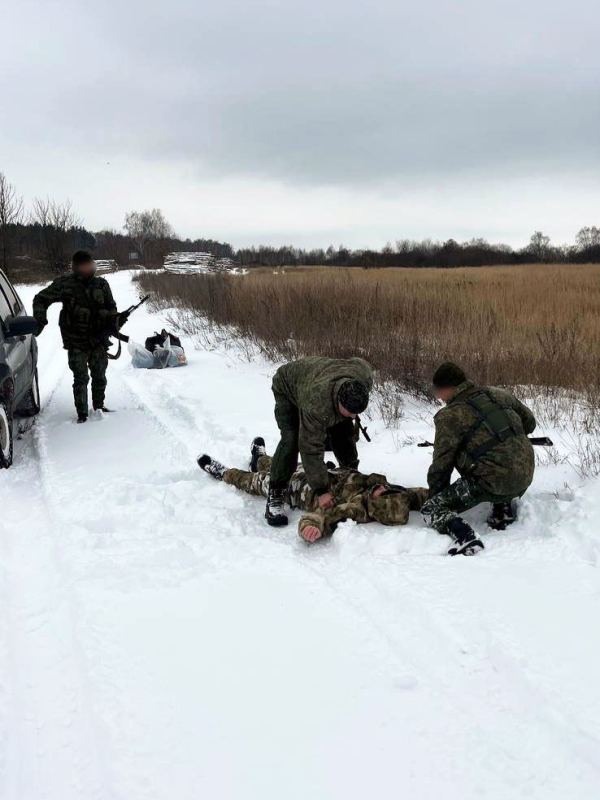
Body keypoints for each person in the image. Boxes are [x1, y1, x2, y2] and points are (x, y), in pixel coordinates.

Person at [198, 437, 428, 543]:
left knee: (258, 482)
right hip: (319, 472)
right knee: (282, 463)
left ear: (377, 505)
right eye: (386, 490)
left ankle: (225, 473)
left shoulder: (356, 508)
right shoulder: (397, 496)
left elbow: (323, 516)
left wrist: (310, 527)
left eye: (381, 494)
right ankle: (260, 457)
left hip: (298, 490)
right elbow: (420, 495)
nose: (381, 488)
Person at [421, 362, 537, 555]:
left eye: (438, 391)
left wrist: (437, 499)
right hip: (525, 475)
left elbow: (441, 465)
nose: (439, 398)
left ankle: (465, 536)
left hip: (493, 481)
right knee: (494, 451)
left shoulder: (449, 416)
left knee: (430, 509)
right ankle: (503, 508)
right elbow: (530, 423)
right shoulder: (498, 394)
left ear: (448, 388)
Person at [266, 356, 373, 527]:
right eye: (350, 412)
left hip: (317, 375)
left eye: (356, 413)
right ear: (338, 401)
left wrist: (352, 473)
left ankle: (349, 471)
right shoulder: (316, 404)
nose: (354, 416)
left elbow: (358, 361)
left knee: (344, 429)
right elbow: (310, 447)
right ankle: (276, 491)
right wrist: (321, 490)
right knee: (291, 439)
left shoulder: (363, 377)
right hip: (288, 385)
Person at [33, 250, 124, 423]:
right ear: (76, 267)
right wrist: (40, 320)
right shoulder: (65, 284)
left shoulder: (101, 285)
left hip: (98, 340)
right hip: (76, 341)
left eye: (90, 265)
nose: (89, 268)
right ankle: (82, 414)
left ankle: (99, 406)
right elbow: (41, 298)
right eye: (84, 266)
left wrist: (114, 320)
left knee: (100, 375)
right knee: (81, 378)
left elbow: (111, 306)